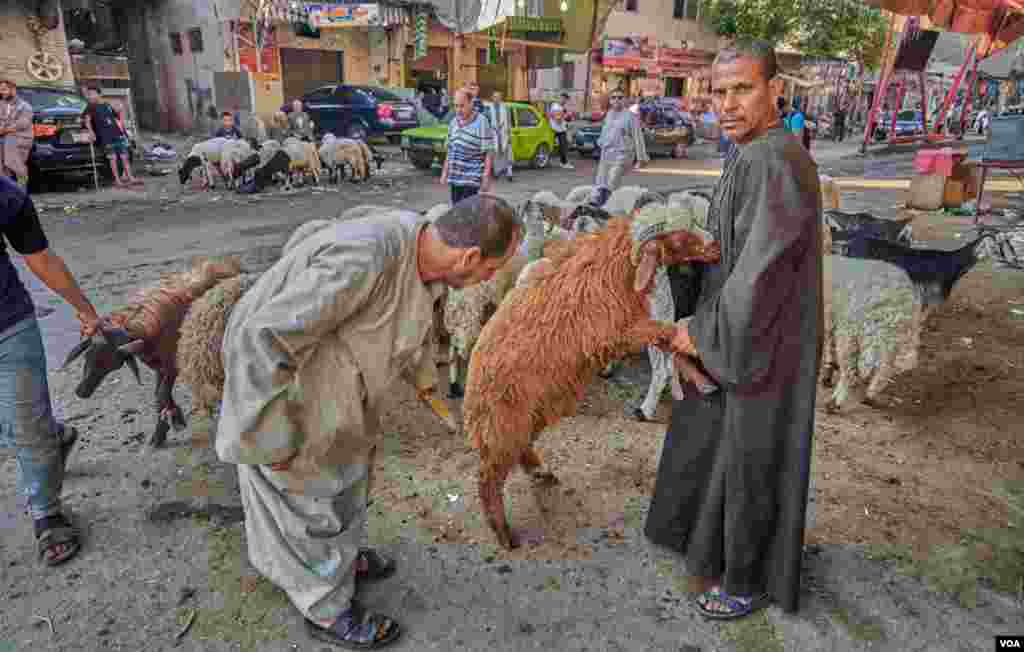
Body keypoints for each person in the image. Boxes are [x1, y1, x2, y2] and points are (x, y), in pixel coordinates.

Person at [216, 195, 522, 648]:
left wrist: (427, 389)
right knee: (305, 497)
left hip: (340, 386)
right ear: (470, 256)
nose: (488, 280)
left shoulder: (426, 259)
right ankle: (325, 607)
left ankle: (340, 559)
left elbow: (410, 323)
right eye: (492, 271)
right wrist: (267, 432)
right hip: (290, 387)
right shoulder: (365, 257)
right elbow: (262, 339)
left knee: (349, 476)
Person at [647, 38, 823, 621]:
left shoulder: (769, 158)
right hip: (752, 330)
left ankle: (746, 579)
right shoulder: (751, 152)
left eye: (742, 89)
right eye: (718, 92)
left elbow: (760, 273)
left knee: (752, 459)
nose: (727, 104)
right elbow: (740, 247)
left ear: (776, 90)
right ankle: (723, 554)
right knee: (728, 448)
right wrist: (694, 248)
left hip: (764, 340)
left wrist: (698, 331)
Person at [1, 175, 101, 567]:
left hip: (7, 325)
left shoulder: (6, 196)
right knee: (16, 425)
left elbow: (39, 256)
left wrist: (85, 308)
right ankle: (53, 438)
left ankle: (46, 512)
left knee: (25, 423)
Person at [591, 88, 647, 206]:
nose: (617, 100)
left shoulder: (631, 116)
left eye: (620, 97)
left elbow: (638, 137)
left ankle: (607, 204)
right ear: (610, 100)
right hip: (607, 153)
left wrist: (641, 157)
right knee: (601, 180)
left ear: (625, 100)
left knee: (612, 179)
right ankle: (601, 204)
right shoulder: (609, 114)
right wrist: (600, 144)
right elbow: (605, 132)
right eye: (614, 97)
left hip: (622, 154)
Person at [441, 89, 494, 205]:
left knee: (467, 212)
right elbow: (450, 149)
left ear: (471, 103)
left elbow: (489, 152)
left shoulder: (482, 122)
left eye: (461, 106)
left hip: (472, 178)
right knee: (456, 210)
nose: (458, 110)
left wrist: (486, 177)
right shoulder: (453, 122)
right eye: (455, 106)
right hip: (455, 177)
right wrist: (445, 172)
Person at [82, 85, 141, 187]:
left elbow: (117, 118)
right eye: (88, 94)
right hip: (105, 137)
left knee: (124, 156)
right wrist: (91, 132)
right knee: (112, 158)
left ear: (99, 94)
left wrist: (123, 130)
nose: (90, 96)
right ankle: (117, 180)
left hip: (117, 134)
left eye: (92, 94)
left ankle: (130, 178)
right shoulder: (90, 107)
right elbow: (87, 121)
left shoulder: (107, 105)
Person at [0, 79, 34, 188]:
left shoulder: (25, 106)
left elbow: (23, 124)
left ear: (13, 90)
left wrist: (4, 130)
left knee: (13, 163)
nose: (2, 92)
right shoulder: (1, 104)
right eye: (1, 90)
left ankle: (22, 189)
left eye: (4, 90)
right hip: (4, 138)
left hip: (20, 138)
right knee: (3, 169)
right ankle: (8, 192)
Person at [489, 91, 514, 181]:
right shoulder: (489, 108)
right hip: (494, 134)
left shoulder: (505, 108)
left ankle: (509, 173)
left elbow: (509, 122)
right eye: (494, 97)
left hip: (504, 134)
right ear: (492, 98)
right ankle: (497, 172)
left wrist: (510, 134)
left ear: (501, 98)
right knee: (496, 155)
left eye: (498, 97)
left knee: (508, 154)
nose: (496, 99)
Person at [549, 100, 574, 170]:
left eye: (566, 100)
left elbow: (563, 119)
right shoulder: (556, 107)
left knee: (562, 146)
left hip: (560, 129)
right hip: (556, 129)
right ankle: (564, 162)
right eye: (564, 99)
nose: (565, 101)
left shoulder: (561, 107)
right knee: (562, 146)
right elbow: (558, 119)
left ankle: (563, 162)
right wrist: (565, 116)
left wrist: (568, 117)